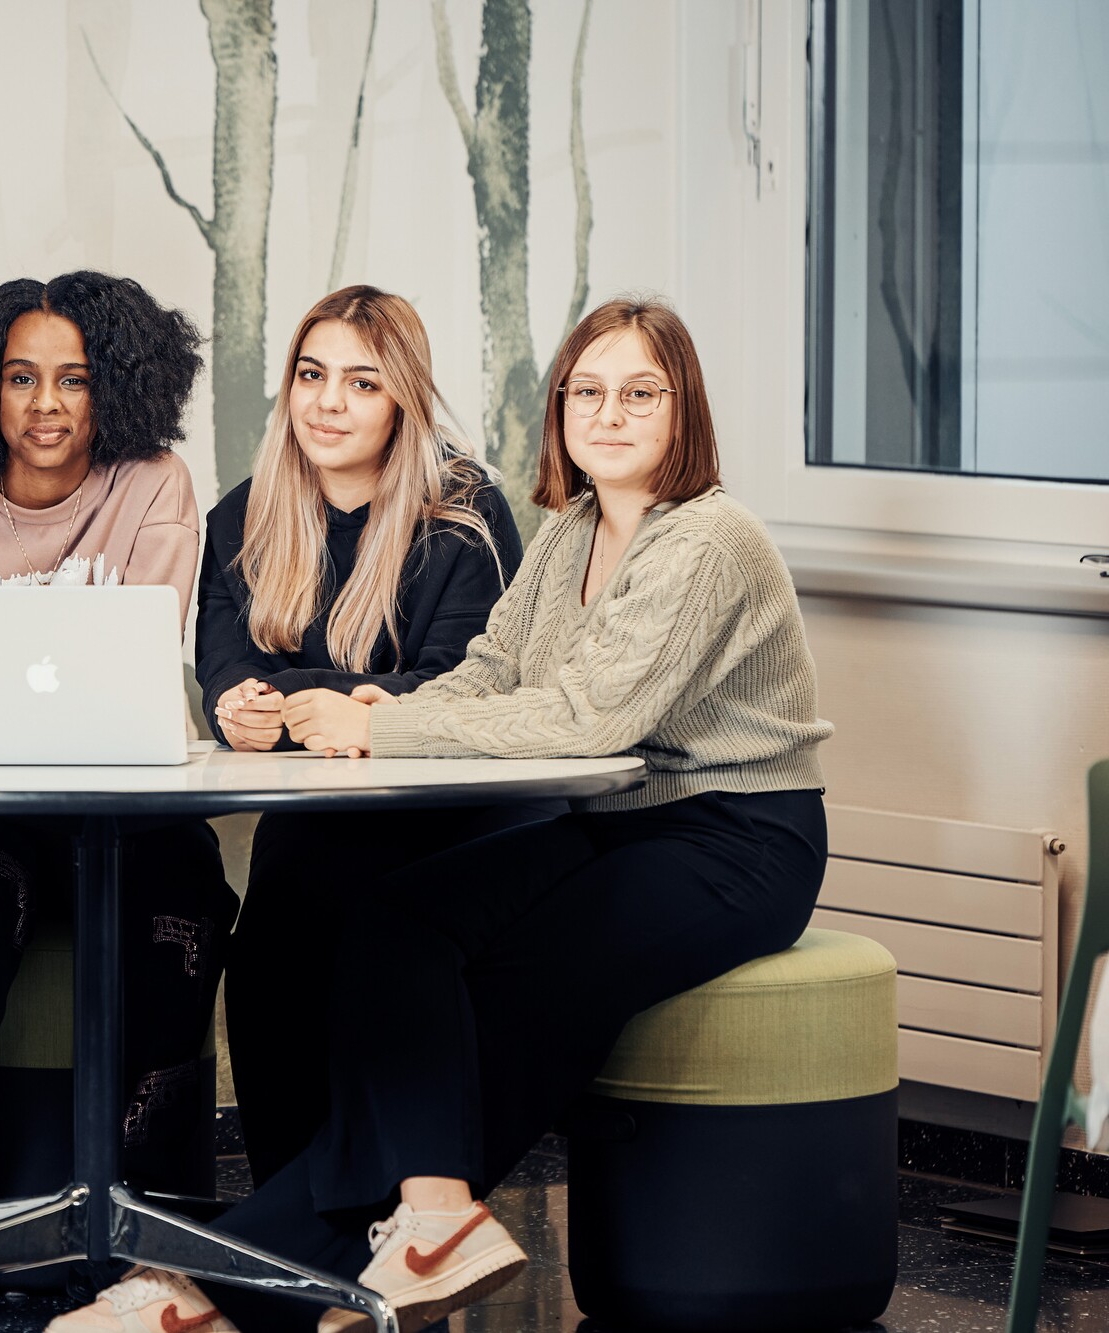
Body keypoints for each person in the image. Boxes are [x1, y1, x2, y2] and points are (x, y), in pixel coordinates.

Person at [47, 294, 833, 1333]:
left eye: (639, 394)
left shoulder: (707, 540)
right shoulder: (573, 531)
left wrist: (380, 726)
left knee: (514, 998)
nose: (607, 415)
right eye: (586, 393)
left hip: (733, 833)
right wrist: (386, 711)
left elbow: (587, 717)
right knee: (400, 922)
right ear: (559, 409)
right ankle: (431, 1217)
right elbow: (492, 671)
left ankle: (229, 1289)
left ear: (682, 408)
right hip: (612, 819)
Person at [0, 272, 239, 1323]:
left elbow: (140, 675)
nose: (48, 405)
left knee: (183, 887)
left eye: (75, 378)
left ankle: (145, 1236)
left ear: (118, 387)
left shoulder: (150, 485)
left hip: (106, 808)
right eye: (21, 377)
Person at [194, 286, 557, 1186]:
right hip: (319, 814)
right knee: (267, 948)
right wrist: (239, 709)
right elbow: (226, 669)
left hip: (448, 814)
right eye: (311, 375)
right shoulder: (241, 516)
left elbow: (461, 686)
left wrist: (297, 697)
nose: (328, 402)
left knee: (351, 930)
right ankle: (291, 1209)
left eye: (362, 383)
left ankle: (386, 1198)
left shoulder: (464, 511)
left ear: (403, 399)